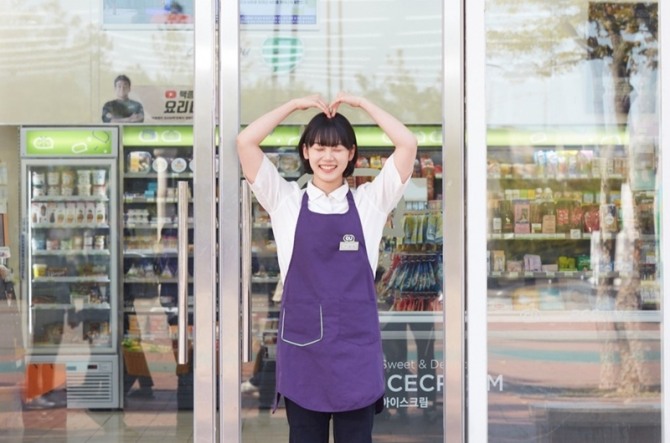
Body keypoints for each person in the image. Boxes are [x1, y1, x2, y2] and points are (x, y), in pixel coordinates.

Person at [236, 93, 417, 443]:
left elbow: (407, 143)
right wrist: (292, 106)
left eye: (337, 148)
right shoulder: (285, 201)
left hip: (355, 350)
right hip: (304, 350)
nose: (327, 157)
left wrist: (363, 105)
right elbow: (246, 141)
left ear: (351, 154)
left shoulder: (370, 204)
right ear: (306, 152)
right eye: (319, 147)